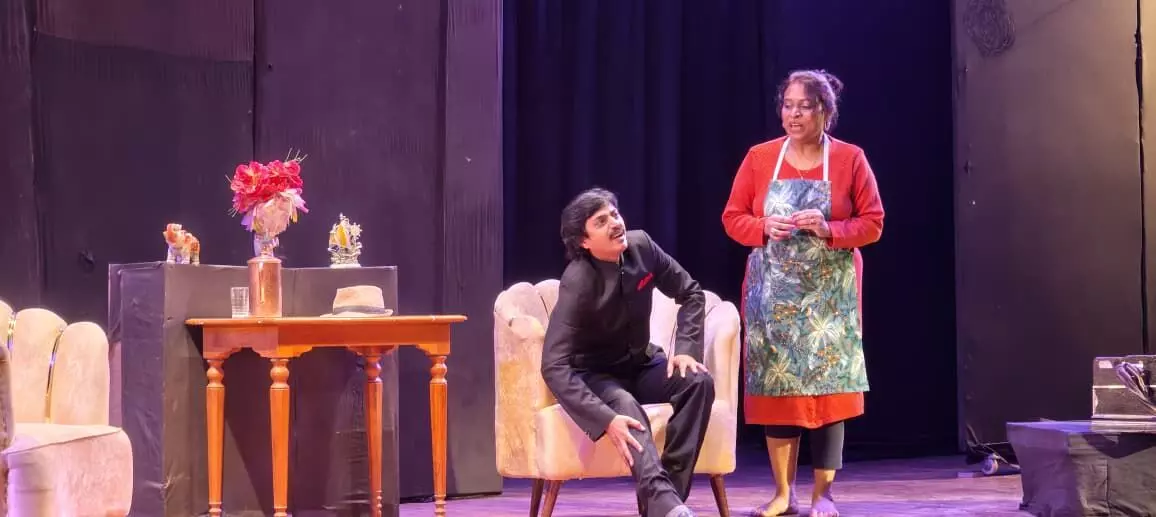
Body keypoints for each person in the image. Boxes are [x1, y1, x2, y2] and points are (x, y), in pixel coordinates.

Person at [721, 70, 885, 517]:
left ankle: (822, 496)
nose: (793, 115)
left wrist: (829, 228)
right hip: (773, 296)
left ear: (825, 112)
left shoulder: (850, 159)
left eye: (804, 107)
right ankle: (782, 494)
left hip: (828, 301)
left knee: (829, 393)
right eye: (788, 105)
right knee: (779, 391)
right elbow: (732, 217)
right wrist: (762, 226)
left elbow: (873, 223)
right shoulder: (760, 158)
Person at [541, 187, 715, 517]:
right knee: (624, 405)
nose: (615, 223)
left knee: (697, 382)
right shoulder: (578, 281)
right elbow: (553, 365)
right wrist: (605, 419)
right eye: (601, 221)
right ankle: (665, 505)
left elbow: (691, 293)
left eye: (615, 214)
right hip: (597, 374)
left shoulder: (642, 246)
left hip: (641, 363)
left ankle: (667, 503)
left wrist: (687, 349)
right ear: (584, 242)